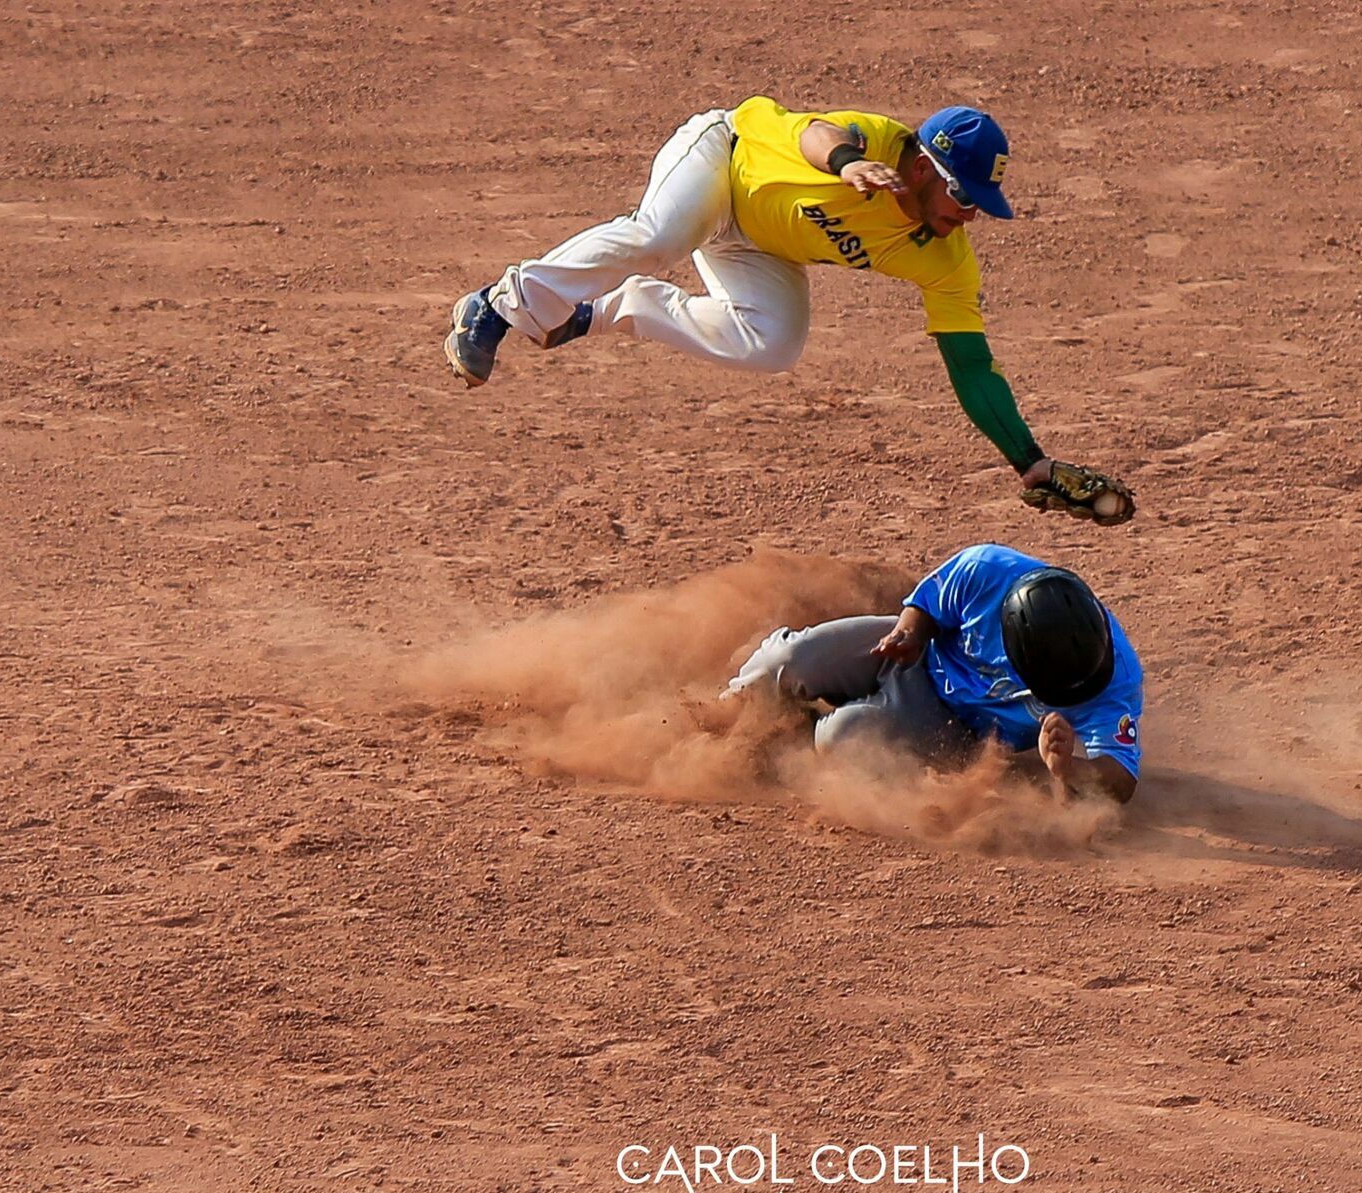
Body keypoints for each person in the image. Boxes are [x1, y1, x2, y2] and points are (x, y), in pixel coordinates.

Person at [443, 97, 1134, 526]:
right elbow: (814, 132)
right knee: (658, 237)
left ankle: (595, 314)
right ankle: (501, 304)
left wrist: (1029, 461)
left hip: (759, 244)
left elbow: (972, 367)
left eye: (980, 203)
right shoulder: (871, 143)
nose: (968, 214)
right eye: (963, 195)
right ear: (923, 168)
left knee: (772, 343)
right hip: (719, 161)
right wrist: (842, 164)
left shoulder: (946, 259)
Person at [727, 544, 1143, 802]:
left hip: (952, 729)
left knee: (845, 738)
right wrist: (909, 634)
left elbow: (1121, 780)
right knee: (789, 659)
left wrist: (1068, 769)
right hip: (915, 657)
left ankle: (787, 735)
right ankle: (726, 712)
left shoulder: (1112, 680)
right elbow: (925, 605)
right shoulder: (986, 570)